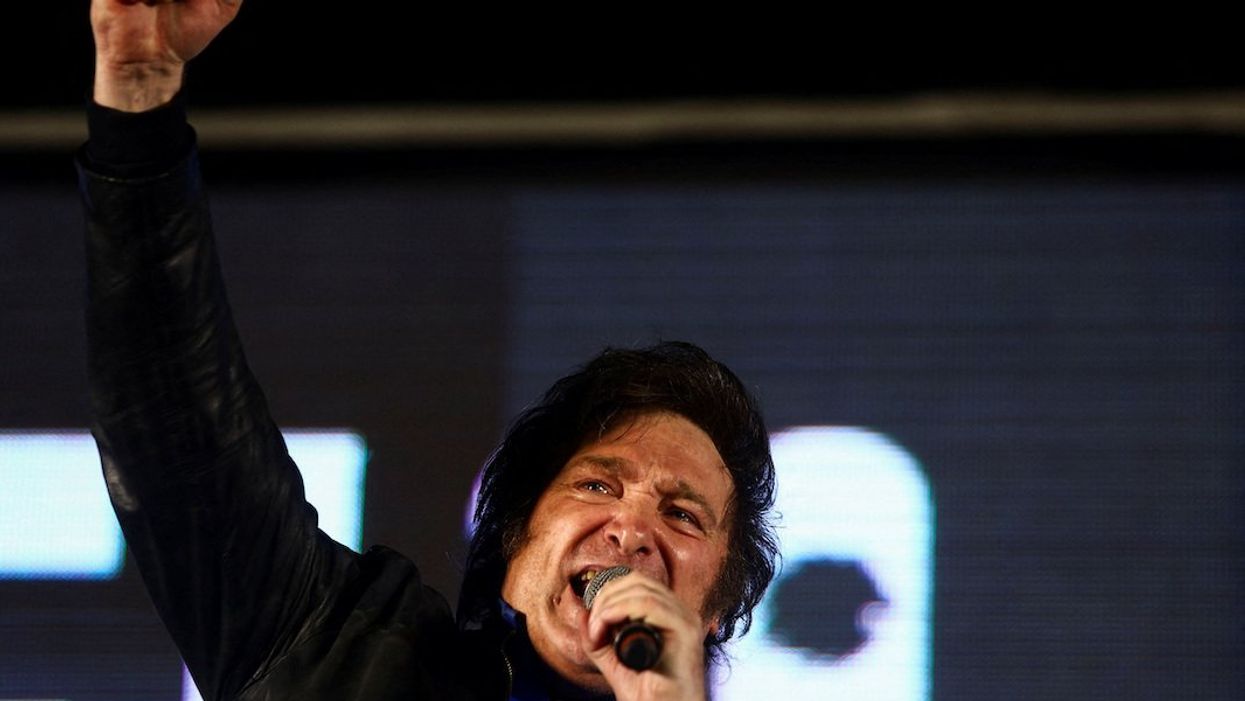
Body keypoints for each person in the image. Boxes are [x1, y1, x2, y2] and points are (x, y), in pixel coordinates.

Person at [81, 2, 777, 699]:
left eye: (681, 516)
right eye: (596, 484)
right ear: (514, 541)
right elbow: (179, 435)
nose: (629, 529)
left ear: (713, 614)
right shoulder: (330, 647)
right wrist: (138, 101)